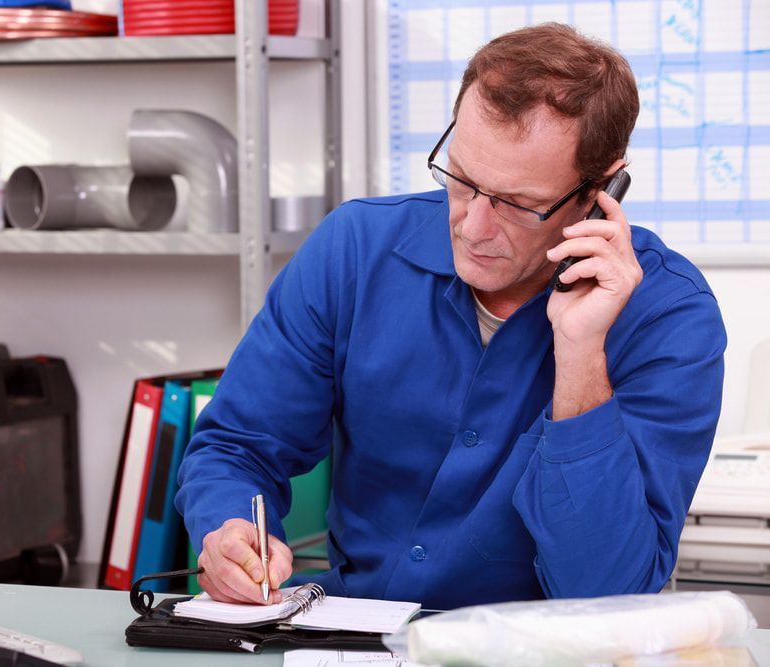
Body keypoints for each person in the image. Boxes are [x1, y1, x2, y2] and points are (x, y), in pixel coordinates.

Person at [174, 23, 726, 610]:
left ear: (600, 189)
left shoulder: (671, 318)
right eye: (461, 179)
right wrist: (229, 529)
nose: (473, 225)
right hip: (351, 637)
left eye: (519, 204)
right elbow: (237, 446)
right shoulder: (355, 249)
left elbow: (608, 592)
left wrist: (582, 355)